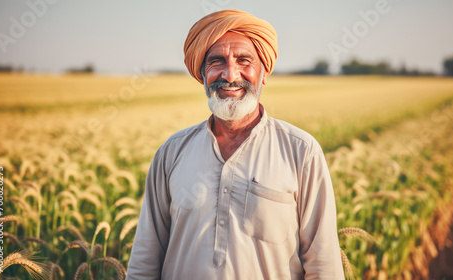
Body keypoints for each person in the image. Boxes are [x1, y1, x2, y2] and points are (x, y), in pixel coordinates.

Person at [126, 9, 345, 280]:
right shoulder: (172, 153)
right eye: (217, 61)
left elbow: (324, 266)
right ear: (202, 74)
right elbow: (144, 262)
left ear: (264, 73)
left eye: (244, 61)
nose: (230, 75)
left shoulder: (301, 152)